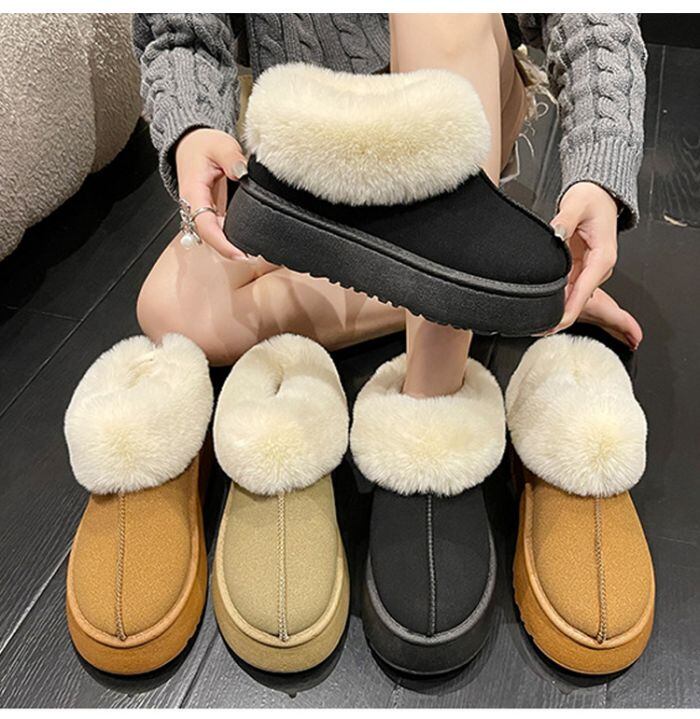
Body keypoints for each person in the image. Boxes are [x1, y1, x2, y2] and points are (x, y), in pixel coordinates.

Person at [133, 13, 646, 398]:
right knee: (174, 308)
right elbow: (180, 28)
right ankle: (503, 289)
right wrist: (194, 127)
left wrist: (598, 164)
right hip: (320, 149)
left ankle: (432, 407)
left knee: (440, 13)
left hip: (457, 93)